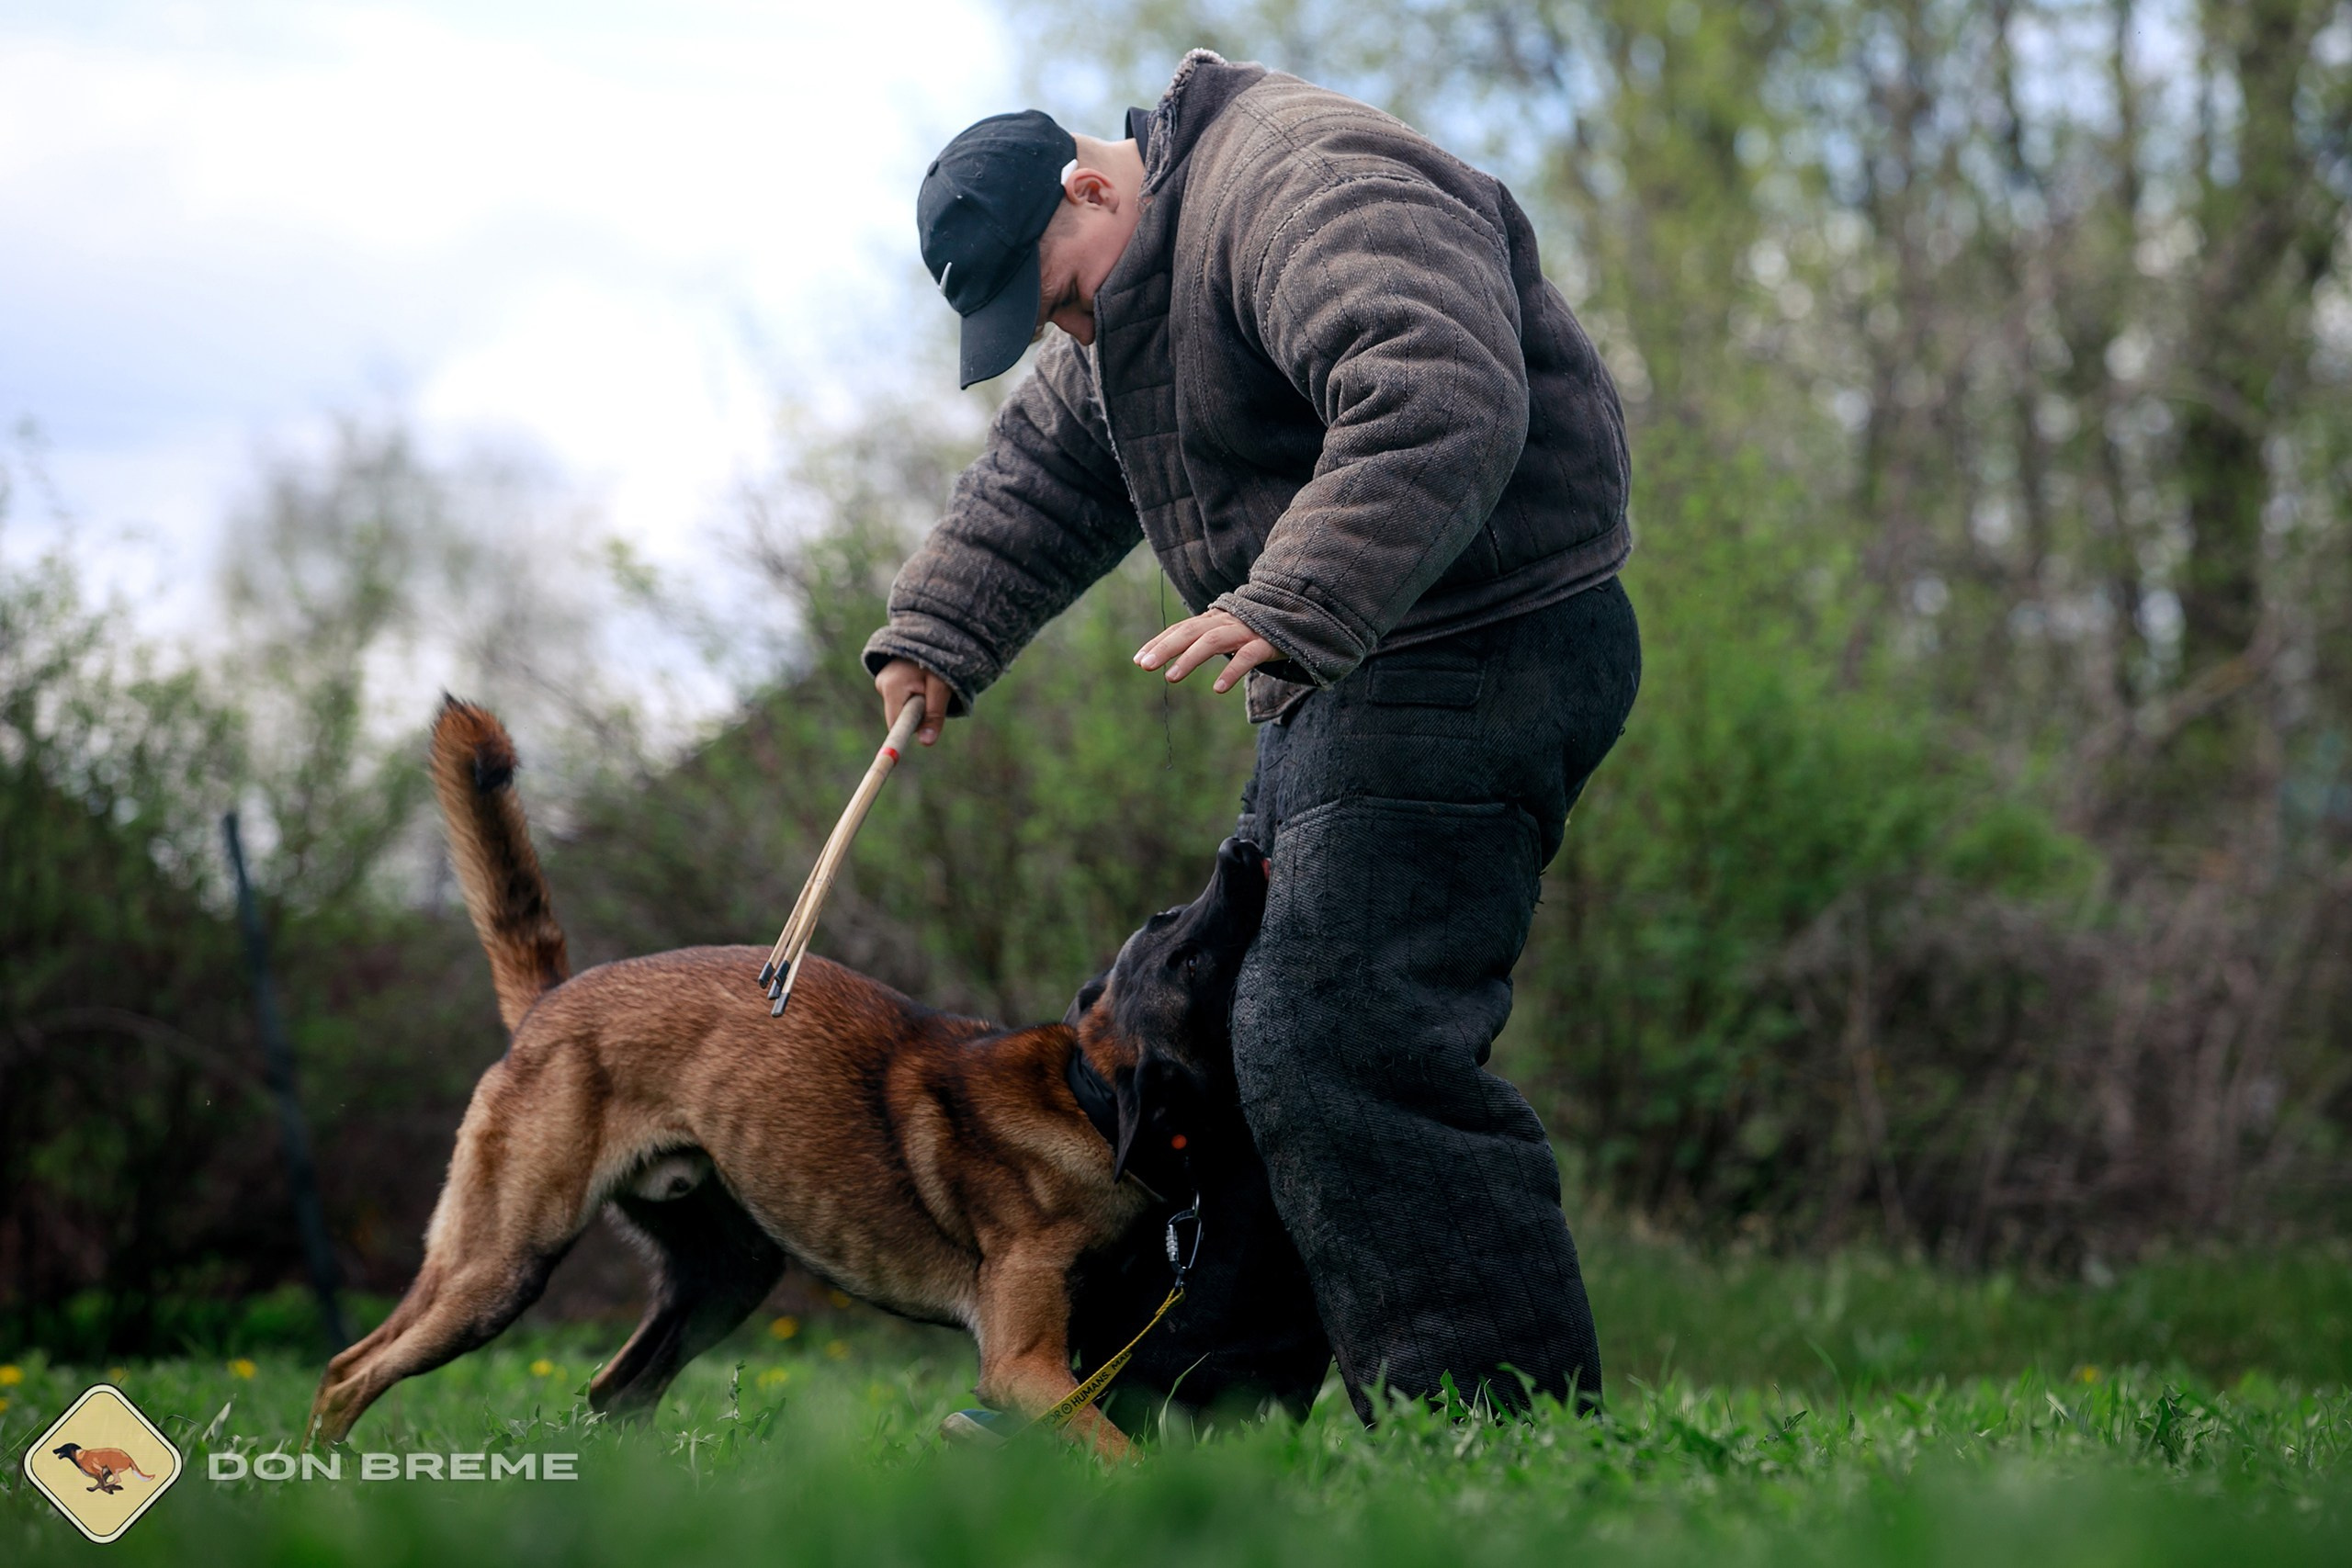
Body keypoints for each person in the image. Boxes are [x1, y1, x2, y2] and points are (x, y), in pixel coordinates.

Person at [867, 50, 1639, 1423]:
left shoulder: (1301, 182)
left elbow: (1441, 390)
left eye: (1059, 302)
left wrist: (1290, 596)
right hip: (1354, 660)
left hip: (1487, 638)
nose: (1068, 339)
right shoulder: (1133, 292)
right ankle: (1146, 1421)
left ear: (1091, 184)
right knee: (1220, 1026)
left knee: (1339, 1028)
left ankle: (1504, 1431)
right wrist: (941, 629)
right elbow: (1053, 463)